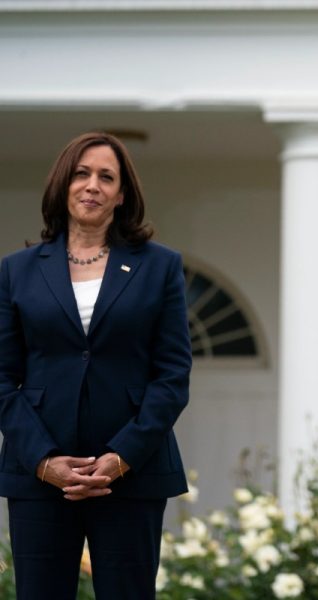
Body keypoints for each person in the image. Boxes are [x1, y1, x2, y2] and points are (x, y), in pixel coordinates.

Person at [0, 131, 192, 599]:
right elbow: (3, 377)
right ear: (62, 184)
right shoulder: (16, 270)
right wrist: (44, 461)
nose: (93, 185)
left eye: (107, 177)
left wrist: (121, 457)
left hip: (133, 472)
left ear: (122, 195)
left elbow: (171, 376)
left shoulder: (160, 267)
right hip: (40, 474)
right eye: (82, 174)